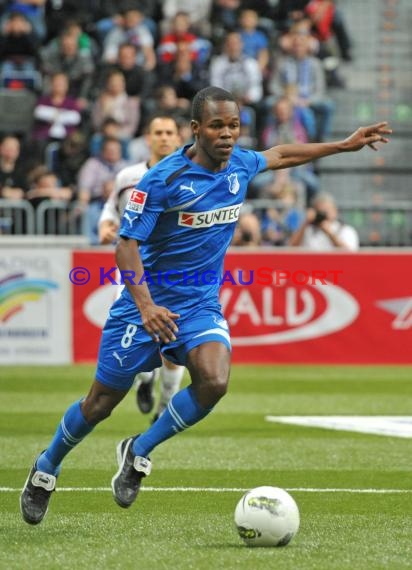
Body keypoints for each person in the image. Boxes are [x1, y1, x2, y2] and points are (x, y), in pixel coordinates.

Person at [20, 86, 391, 524]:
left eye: (234, 125)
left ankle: (138, 451)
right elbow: (125, 246)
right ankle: (46, 468)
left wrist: (343, 145)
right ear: (196, 129)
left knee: (214, 381)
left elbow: (282, 155)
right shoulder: (162, 179)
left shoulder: (239, 165)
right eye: (217, 125)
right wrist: (145, 307)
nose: (228, 134)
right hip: (144, 309)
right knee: (99, 404)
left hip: (198, 306)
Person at [98, 115, 185, 423]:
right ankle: (145, 379)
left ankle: (165, 405)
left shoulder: (191, 175)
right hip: (133, 270)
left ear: (178, 137)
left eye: (169, 132)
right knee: (134, 337)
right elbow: (110, 207)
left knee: (175, 341)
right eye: (158, 132)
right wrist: (106, 225)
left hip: (175, 272)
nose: (163, 137)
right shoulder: (129, 176)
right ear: (148, 139)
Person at [288, 191, 359, 250]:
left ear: (335, 211)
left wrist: (330, 233)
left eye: (326, 210)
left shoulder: (346, 230)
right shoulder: (308, 230)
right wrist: (305, 223)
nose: (323, 215)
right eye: (319, 211)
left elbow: (350, 255)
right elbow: (291, 249)